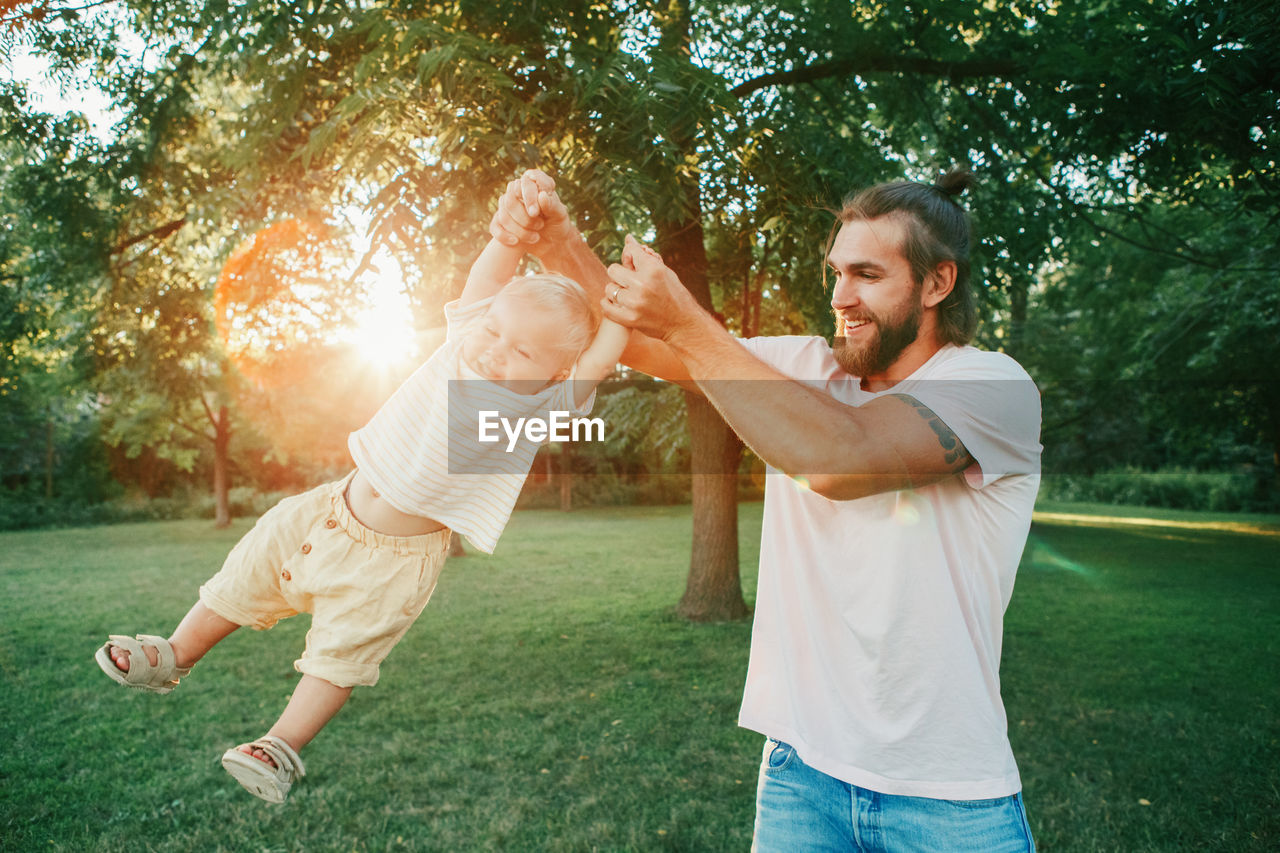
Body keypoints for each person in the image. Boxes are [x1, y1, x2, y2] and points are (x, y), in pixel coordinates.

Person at [491, 168, 1042, 851]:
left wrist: (691, 323)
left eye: (867, 274)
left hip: (947, 803)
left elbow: (841, 458)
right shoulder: (803, 365)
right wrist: (559, 239)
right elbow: (642, 335)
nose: (841, 296)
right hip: (799, 778)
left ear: (937, 283)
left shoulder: (993, 387)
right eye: (835, 272)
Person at [95, 186, 630, 804]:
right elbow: (491, 272)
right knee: (244, 573)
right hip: (327, 507)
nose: (497, 349)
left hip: (393, 563)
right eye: (495, 330)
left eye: (523, 351)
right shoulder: (463, 340)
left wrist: (620, 312)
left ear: (554, 374)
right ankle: (174, 652)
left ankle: (279, 744)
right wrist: (511, 231)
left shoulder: (538, 407)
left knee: (340, 655)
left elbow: (599, 361)